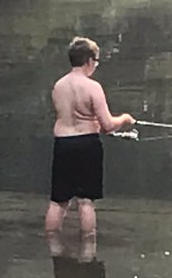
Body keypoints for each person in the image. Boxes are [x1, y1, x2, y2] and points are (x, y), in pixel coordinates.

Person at [45, 36, 135, 240]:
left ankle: (52, 244)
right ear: (88, 60)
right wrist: (125, 119)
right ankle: (88, 252)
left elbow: (71, 115)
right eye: (96, 61)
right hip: (87, 145)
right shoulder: (92, 87)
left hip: (63, 144)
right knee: (85, 201)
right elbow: (108, 125)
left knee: (58, 201)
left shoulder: (58, 86)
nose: (95, 65)